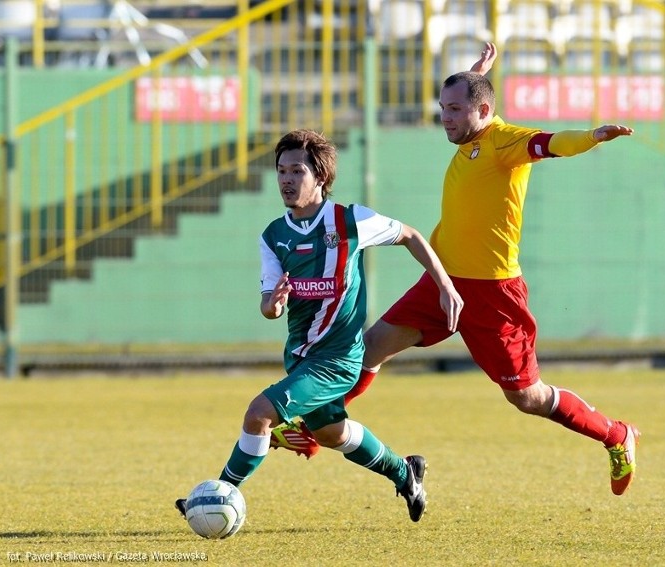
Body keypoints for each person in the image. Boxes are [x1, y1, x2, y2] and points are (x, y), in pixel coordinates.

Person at [281, 44, 641, 497]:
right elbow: (475, 100)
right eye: (442, 108)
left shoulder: (504, 141)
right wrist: (475, 75)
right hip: (443, 278)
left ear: (484, 110)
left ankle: (616, 435)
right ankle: (312, 429)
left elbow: (551, 144)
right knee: (370, 348)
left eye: (454, 110)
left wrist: (590, 136)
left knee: (527, 397)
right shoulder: (474, 133)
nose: (445, 118)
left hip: (494, 293)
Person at [175, 129, 463, 523]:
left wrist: (444, 284)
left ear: (320, 177)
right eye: (281, 171)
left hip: (339, 359)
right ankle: (405, 472)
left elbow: (411, 235)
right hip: (300, 356)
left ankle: (217, 496)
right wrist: (272, 305)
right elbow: (267, 306)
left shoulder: (349, 221)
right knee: (333, 434)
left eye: (297, 170)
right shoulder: (274, 237)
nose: (287, 180)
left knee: (259, 414)